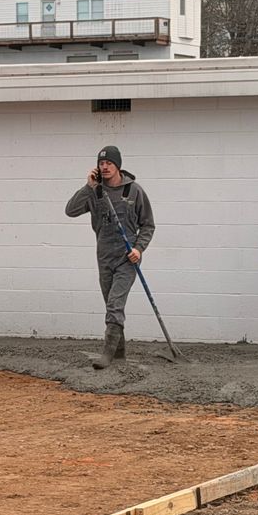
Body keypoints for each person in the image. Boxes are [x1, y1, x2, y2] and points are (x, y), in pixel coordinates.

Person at [65, 145, 155, 369]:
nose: (104, 167)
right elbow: (71, 210)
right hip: (104, 256)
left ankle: (106, 354)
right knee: (111, 304)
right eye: (101, 163)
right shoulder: (94, 191)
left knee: (115, 304)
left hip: (127, 257)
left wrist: (139, 249)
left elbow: (148, 225)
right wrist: (88, 187)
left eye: (109, 163)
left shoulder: (134, 191)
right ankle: (119, 354)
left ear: (118, 166)